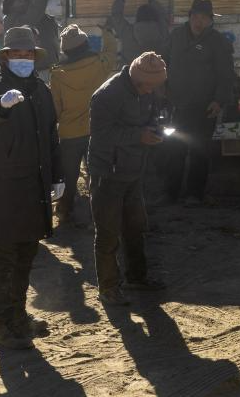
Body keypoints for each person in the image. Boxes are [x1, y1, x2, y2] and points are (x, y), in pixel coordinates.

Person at [0, 27, 64, 349]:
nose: (23, 58)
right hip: (4, 189)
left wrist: (58, 175)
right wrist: (0, 104)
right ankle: (1, 326)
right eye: (17, 53)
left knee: (26, 254)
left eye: (28, 54)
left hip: (34, 187)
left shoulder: (41, 90)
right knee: (4, 257)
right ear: (6, 56)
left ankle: (19, 317)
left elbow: (51, 135)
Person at [88, 52, 170, 304]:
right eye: (148, 86)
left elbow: (149, 116)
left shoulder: (147, 89)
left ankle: (136, 277)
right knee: (108, 232)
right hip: (107, 173)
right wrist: (139, 136)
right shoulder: (107, 95)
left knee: (135, 227)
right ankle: (108, 288)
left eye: (155, 86)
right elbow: (101, 134)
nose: (151, 91)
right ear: (135, 78)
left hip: (133, 170)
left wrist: (155, 128)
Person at [162, 0, 235, 205]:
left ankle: (194, 194)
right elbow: (163, 62)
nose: (198, 21)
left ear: (210, 20)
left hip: (205, 106)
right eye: (195, 16)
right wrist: (162, 91)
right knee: (174, 149)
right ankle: (170, 193)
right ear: (189, 17)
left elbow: (226, 75)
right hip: (178, 104)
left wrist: (218, 100)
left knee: (200, 151)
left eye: (203, 17)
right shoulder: (176, 36)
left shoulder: (218, 41)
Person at [49, 24, 115, 225]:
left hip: (69, 133)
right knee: (97, 173)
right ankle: (100, 211)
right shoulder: (101, 63)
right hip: (97, 130)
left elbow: (56, 108)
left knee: (68, 175)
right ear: (86, 44)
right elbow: (111, 51)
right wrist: (106, 31)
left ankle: (64, 209)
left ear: (66, 51)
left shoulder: (57, 74)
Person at [2, 0, 60, 80]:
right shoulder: (24, 21)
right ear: (13, 8)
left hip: (41, 67)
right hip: (41, 71)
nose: (23, 0)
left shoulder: (16, 15)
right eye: (18, 0)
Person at [107, 0, 170, 69]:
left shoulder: (128, 33)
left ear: (137, 17)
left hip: (131, 77)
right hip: (156, 77)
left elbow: (116, 14)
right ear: (155, 17)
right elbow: (162, 15)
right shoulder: (162, 33)